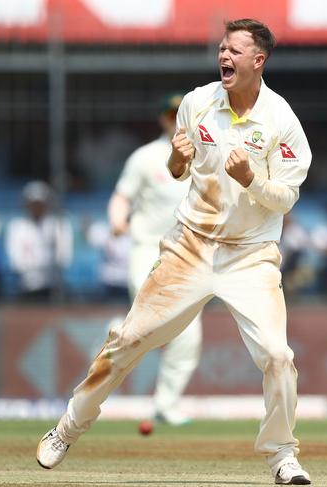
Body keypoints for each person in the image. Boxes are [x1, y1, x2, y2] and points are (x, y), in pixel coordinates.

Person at [36, 19, 312, 485]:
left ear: (258, 61)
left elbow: (287, 197)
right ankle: (67, 428)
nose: (225, 56)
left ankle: (282, 454)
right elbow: (180, 169)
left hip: (251, 254)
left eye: (236, 51)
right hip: (191, 246)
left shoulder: (281, 119)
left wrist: (252, 180)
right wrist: (178, 160)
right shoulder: (196, 103)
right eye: (222, 48)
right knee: (127, 340)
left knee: (278, 355)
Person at [107, 93, 202, 425]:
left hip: (188, 255)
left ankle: (166, 403)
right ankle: (116, 339)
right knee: (147, 325)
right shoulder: (145, 157)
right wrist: (118, 220)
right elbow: (122, 196)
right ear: (162, 119)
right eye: (171, 114)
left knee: (189, 336)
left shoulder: (207, 154)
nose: (177, 120)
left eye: (182, 114)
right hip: (148, 250)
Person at [5, 181, 73, 300]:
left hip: (54, 288)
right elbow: (16, 262)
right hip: (27, 288)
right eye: (33, 204)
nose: (37, 208)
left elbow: (64, 258)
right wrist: (40, 267)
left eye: (40, 203)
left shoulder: (59, 225)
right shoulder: (17, 227)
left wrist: (37, 265)